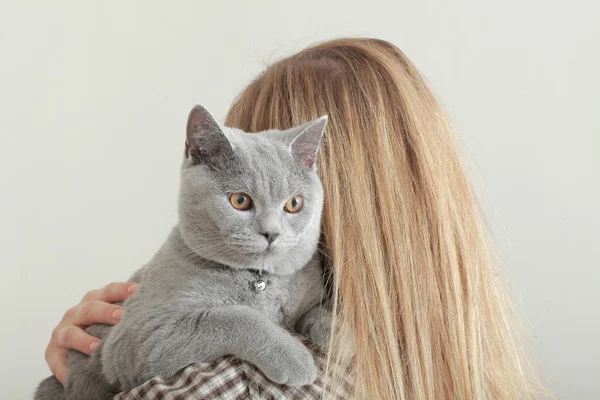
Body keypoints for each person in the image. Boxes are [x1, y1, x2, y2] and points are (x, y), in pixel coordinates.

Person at [44, 38, 544, 399]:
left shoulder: (228, 384)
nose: (268, 227)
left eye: (290, 204)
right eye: (242, 200)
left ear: (329, 194)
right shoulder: (471, 352)